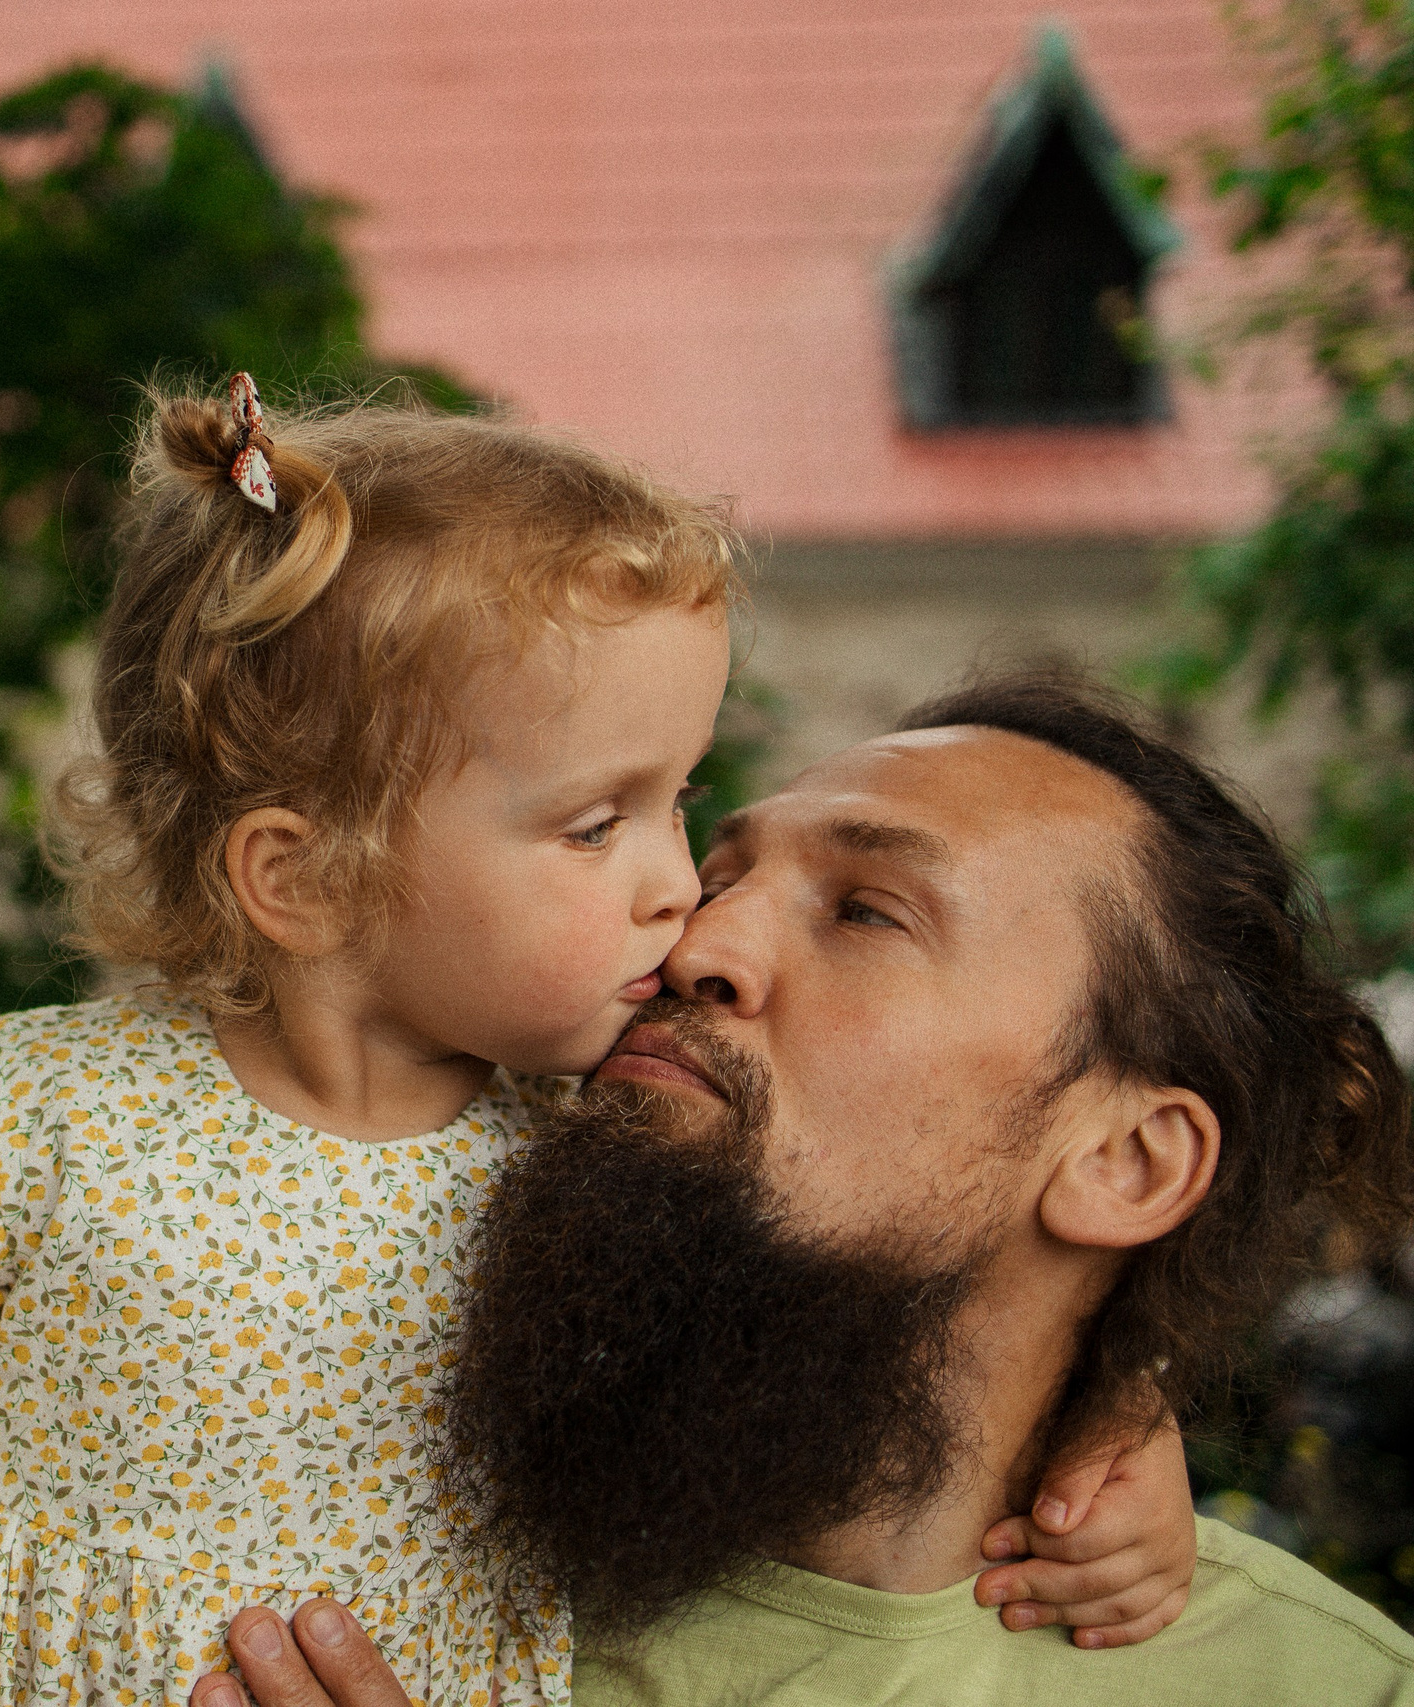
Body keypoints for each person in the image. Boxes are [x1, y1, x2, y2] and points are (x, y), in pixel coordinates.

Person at [0, 384, 1192, 1707]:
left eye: (678, 796)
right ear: (307, 876)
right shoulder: (24, 1112)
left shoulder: (590, 1149)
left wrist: (1115, 1422)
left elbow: (860, 1327)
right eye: (598, 820)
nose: (677, 881)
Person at [188, 674, 1414, 1707]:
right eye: (711, 875)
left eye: (868, 913)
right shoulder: (311, 1465)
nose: (692, 946)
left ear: (1123, 1161)